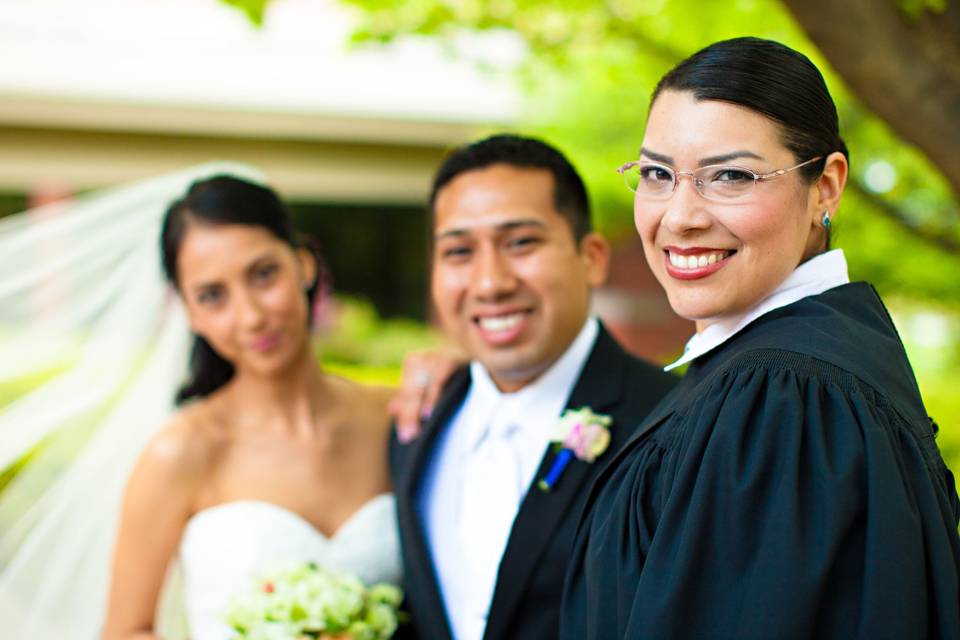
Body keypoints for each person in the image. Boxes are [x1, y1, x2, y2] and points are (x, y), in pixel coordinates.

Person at [560, 37, 960, 640]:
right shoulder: (806, 362)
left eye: (731, 175)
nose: (680, 216)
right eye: (656, 174)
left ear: (826, 186)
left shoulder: (782, 401)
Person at [98, 174, 441, 639]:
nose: (251, 316)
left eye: (263, 274)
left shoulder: (396, 415)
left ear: (303, 264)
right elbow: (125, 630)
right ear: (191, 313)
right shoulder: (180, 453)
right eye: (213, 296)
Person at [390, 134, 678, 640]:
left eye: (521, 242)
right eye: (459, 251)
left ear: (590, 257)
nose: (490, 283)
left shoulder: (672, 420)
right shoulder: (416, 420)